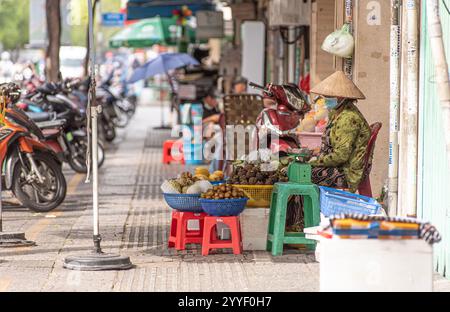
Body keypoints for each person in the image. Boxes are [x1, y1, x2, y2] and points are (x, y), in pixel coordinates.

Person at [308, 71, 371, 193]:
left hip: (347, 172)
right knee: (298, 171)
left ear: (342, 98)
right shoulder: (336, 113)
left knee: (301, 176)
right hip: (338, 166)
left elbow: (341, 156)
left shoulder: (348, 118)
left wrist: (315, 162)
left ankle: (308, 211)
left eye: (329, 97)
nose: (326, 99)